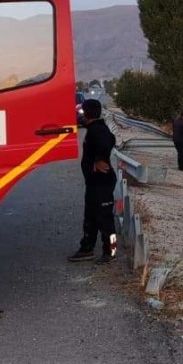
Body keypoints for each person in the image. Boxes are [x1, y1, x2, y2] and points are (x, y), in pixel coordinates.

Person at [68, 98, 119, 264]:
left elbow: (109, 141)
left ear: (87, 113)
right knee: (90, 217)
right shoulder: (93, 129)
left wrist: (100, 158)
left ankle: (111, 250)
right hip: (93, 183)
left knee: (105, 219)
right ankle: (86, 248)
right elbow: (111, 139)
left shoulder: (98, 130)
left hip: (102, 182)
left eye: (83, 111)